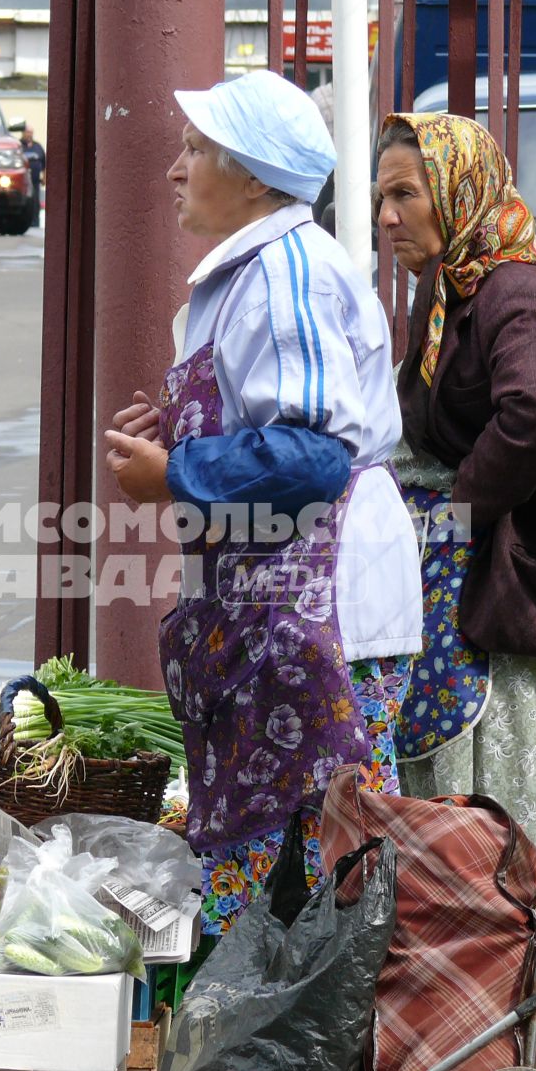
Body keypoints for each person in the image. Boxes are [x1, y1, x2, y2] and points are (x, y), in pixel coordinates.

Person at [104, 70, 422, 935]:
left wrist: (172, 474)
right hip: (273, 608)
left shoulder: (288, 273)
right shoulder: (253, 273)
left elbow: (313, 451)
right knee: (297, 861)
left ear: (254, 179)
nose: (175, 169)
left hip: (320, 612)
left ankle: (324, 1051)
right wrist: (178, 427)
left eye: (195, 150)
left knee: (331, 851)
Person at [374, 112, 536, 851]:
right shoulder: (448, 285)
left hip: (498, 571)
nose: (385, 216)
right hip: (458, 568)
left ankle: (497, 937)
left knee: (494, 778)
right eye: (381, 198)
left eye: (405, 194)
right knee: (442, 773)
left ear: (457, 191)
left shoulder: (512, 290)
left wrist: (456, 511)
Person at [19, 124, 46, 227]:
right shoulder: (18, 145)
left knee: (35, 201)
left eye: (31, 132)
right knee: (24, 201)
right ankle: (22, 223)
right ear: (23, 133)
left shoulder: (38, 146)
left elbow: (44, 163)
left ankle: (35, 222)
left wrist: (44, 177)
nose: (29, 135)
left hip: (35, 180)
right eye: (28, 132)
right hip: (22, 181)